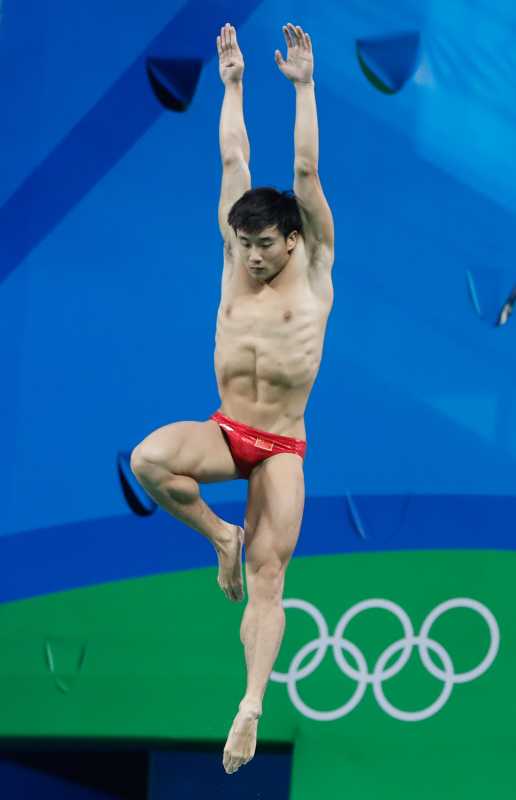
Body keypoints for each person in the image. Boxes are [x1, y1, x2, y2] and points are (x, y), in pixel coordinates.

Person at [130, 21, 335, 775]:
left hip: (280, 446)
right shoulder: (235, 251)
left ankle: (249, 705)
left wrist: (303, 87)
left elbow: (304, 173)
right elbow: (233, 156)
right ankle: (220, 536)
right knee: (150, 460)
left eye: (262, 245)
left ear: (290, 240)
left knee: (271, 579)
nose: (250, 256)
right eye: (242, 245)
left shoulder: (314, 266)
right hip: (226, 430)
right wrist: (233, 85)